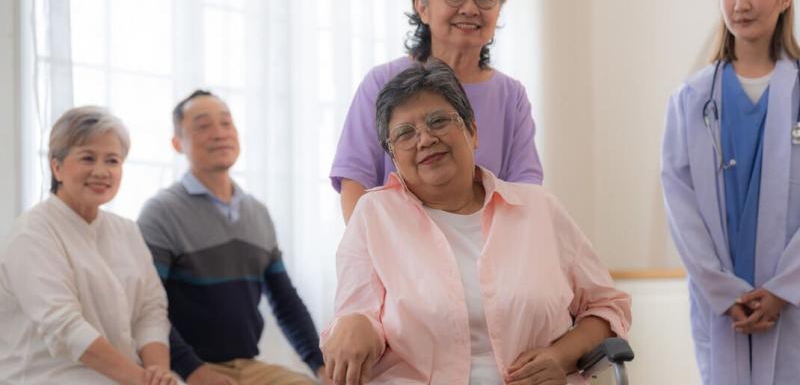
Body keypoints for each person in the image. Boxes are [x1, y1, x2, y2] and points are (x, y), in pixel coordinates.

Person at [321, 61, 630, 385]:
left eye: (438, 121)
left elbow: (608, 307)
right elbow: (357, 315)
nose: (425, 139)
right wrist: (353, 324)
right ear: (394, 158)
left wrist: (559, 356)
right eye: (405, 134)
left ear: (472, 131)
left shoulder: (539, 210)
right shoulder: (374, 216)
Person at [137, 90, 326, 385]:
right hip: (183, 369)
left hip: (247, 366)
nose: (219, 133)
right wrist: (194, 371)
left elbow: (286, 302)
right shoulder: (161, 212)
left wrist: (320, 365)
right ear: (177, 143)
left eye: (226, 123)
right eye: (203, 125)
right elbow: (146, 307)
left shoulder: (257, 213)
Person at [661, 0, 800, 383]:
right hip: (721, 307)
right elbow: (679, 203)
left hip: (794, 303)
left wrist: (785, 289)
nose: (740, 4)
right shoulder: (690, 99)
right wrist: (723, 291)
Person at [331, 0, 544, 222]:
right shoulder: (382, 82)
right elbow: (355, 181)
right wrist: (371, 252)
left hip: (487, 251)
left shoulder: (511, 95)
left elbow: (526, 191)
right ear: (422, 7)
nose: (471, 9)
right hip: (397, 250)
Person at [0, 106, 174, 384]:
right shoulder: (32, 233)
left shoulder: (126, 231)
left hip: (125, 375)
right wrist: (142, 380)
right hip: (49, 376)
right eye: (88, 158)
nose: (102, 171)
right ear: (56, 166)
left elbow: (150, 310)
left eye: (113, 160)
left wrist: (159, 374)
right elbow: (65, 327)